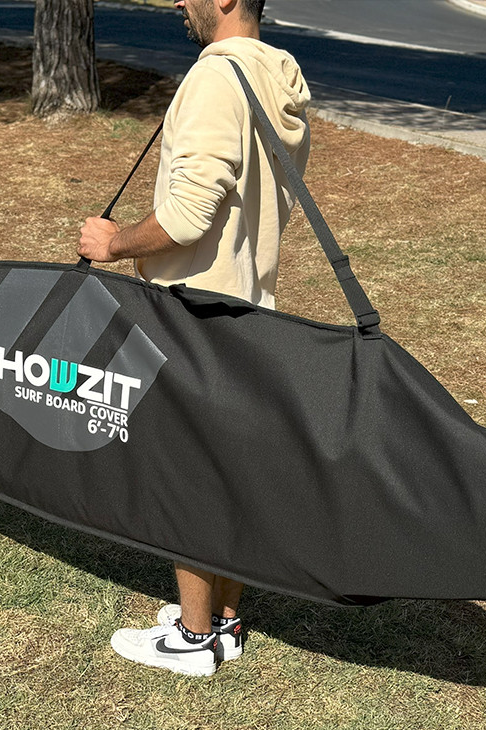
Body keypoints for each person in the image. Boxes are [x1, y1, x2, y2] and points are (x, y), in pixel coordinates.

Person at [77, 0, 311, 676]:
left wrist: (113, 242)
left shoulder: (214, 78)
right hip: (250, 301)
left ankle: (192, 636)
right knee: (227, 469)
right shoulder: (279, 76)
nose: (178, 0)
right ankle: (227, 622)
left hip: (195, 308)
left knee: (187, 472)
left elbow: (189, 214)